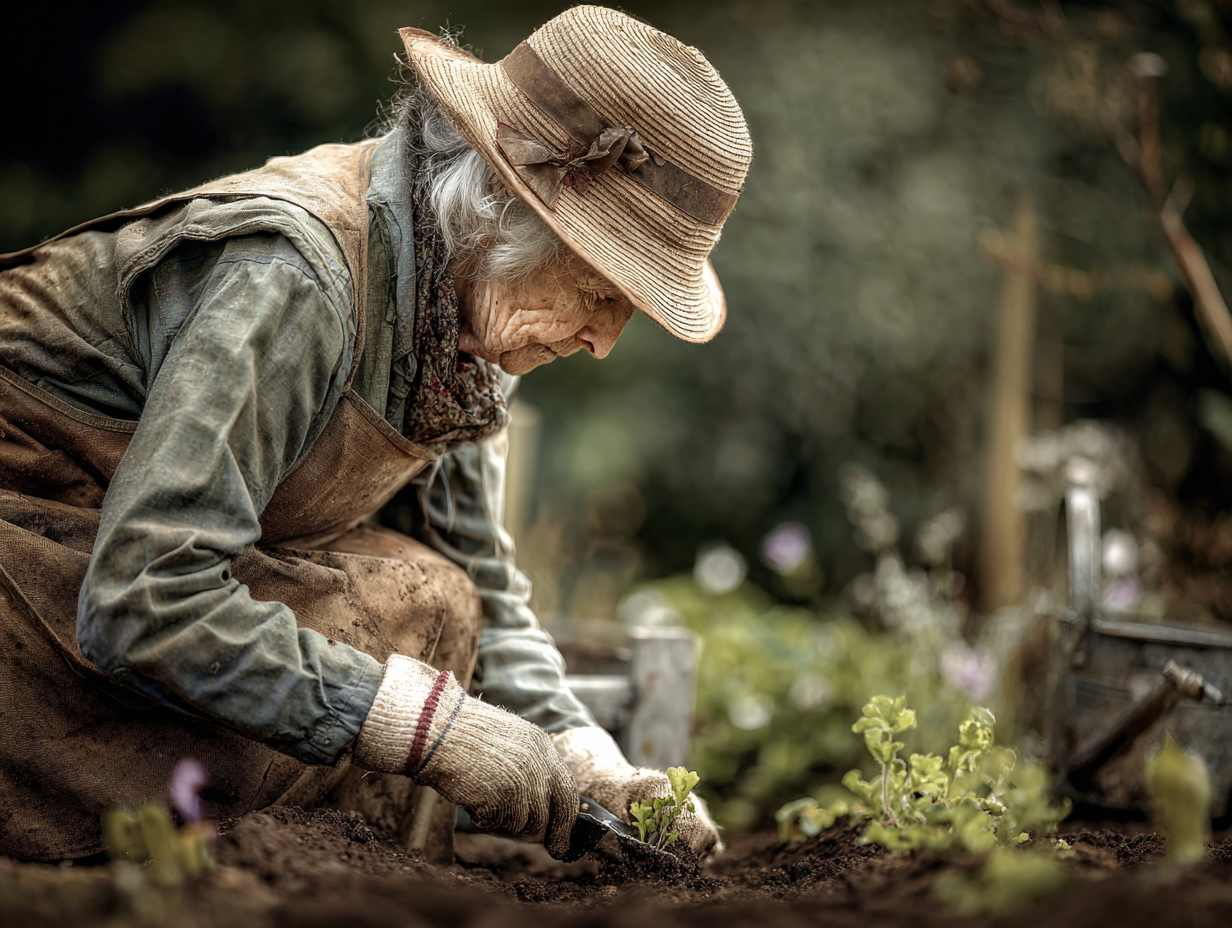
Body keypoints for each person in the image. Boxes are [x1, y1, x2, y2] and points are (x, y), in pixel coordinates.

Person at [0, 5, 751, 863]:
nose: (604, 338)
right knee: (413, 627)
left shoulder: (461, 328)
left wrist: (585, 755)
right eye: (602, 290)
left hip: (104, 577)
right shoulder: (292, 283)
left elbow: (482, 583)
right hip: (31, 574)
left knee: (434, 597)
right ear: (507, 211)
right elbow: (144, 593)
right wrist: (426, 728)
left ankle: (333, 871)